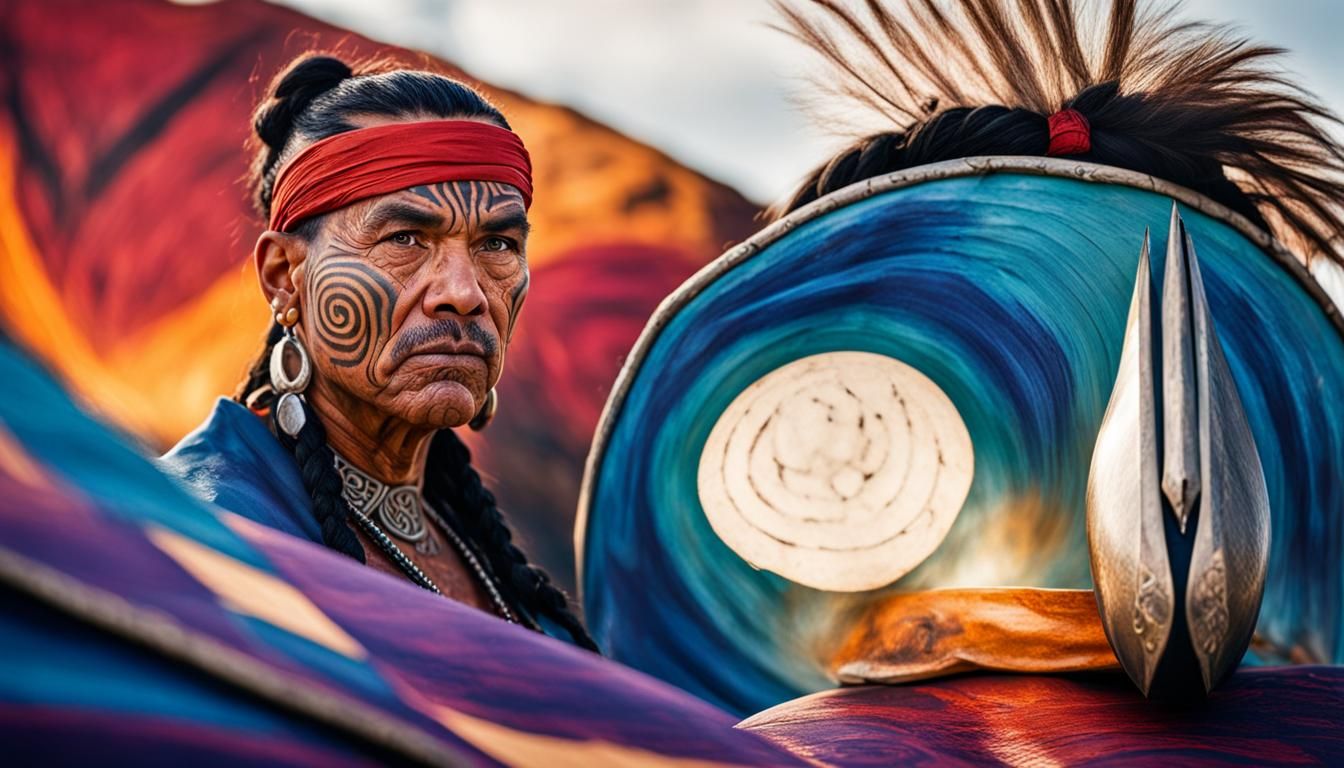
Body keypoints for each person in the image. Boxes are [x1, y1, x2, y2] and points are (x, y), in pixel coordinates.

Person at [161, 53, 597, 650]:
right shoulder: (196, 533)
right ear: (285, 276)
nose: (464, 294)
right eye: (406, 238)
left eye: (497, 242)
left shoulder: (485, 557)